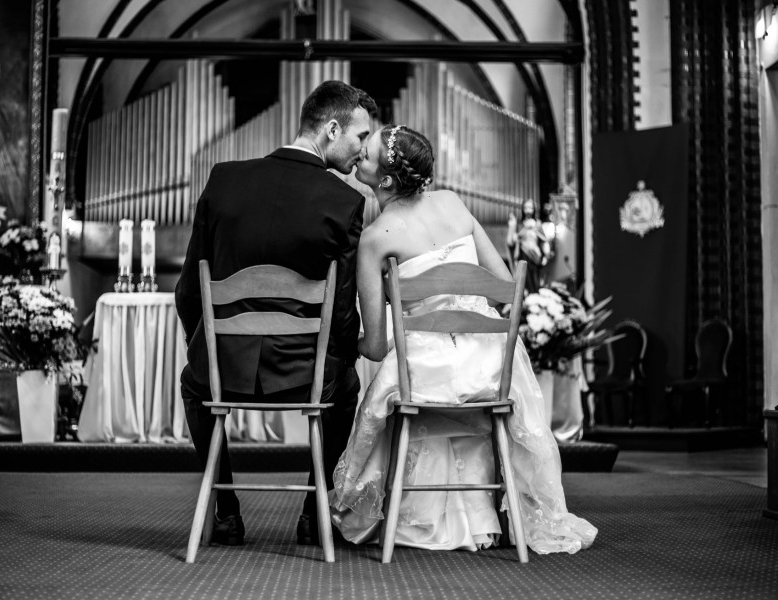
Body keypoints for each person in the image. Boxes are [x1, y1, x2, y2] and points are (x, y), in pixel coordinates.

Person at [329, 124, 597, 553]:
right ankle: (477, 517)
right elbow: (505, 287)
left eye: (367, 154)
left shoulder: (375, 239)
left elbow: (376, 348)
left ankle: (410, 516)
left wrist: (347, 343)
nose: (358, 152)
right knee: (440, 377)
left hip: (426, 375)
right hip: (488, 368)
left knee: (388, 386)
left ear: (386, 181)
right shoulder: (453, 203)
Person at [175, 80, 377, 547]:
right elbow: (342, 311)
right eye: (361, 136)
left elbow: (188, 290)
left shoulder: (223, 180)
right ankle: (312, 514)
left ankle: (226, 512)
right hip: (304, 374)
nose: (364, 150)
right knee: (347, 386)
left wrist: (206, 349)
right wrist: (338, 359)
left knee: (193, 382)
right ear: (331, 129)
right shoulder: (345, 202)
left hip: (224, 367)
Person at [515, 198, 551, 293]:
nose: (528, 210)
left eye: (530, 208)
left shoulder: (538, 224)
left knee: (535, 280)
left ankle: (534, 294)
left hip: (535, 255)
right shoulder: (521, 224)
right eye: (526, 208)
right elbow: (517, 238)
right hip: (524, 254)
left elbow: (544, 239)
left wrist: (546, 256)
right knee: (525, 279)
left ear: (534, 209)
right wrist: (526, 228)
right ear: (523, 209)